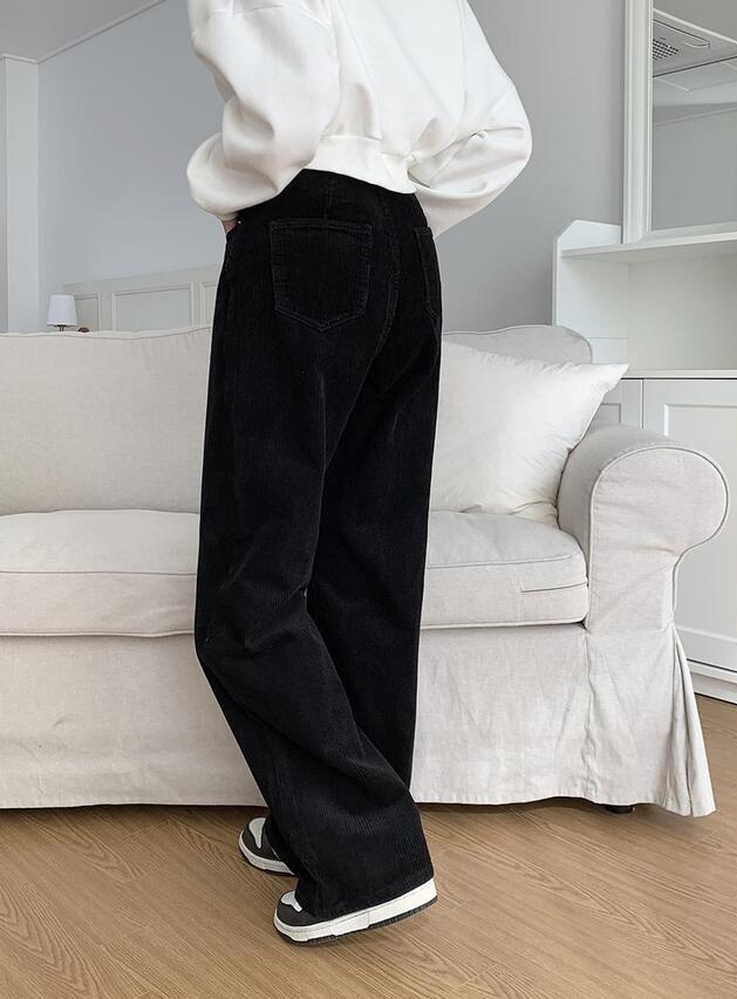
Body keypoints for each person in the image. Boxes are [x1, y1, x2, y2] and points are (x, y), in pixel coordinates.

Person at [186, 0, 532, 945]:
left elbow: (286, 106)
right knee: (367, 559)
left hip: (301, 225)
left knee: (251, 585)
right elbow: (505, 135)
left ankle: (367, 850)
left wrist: (233, 193)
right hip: (407, 246)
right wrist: (398, 212)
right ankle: (328, 819)